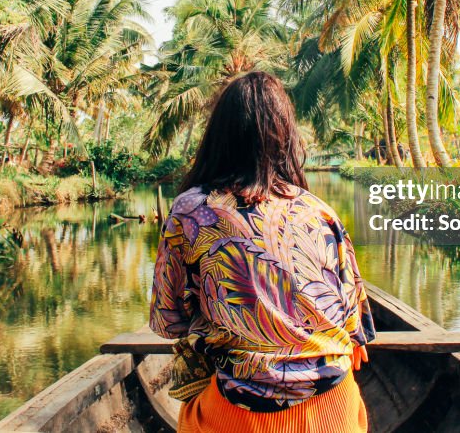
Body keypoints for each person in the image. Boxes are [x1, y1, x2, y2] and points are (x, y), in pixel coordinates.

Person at [150, 71, 374, 433]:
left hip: (242, 414)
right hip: (336, 409)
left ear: (218, 137)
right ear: (285, 137)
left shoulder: (191, 210)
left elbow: (168, 321)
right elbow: (356, 330)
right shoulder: (319, 211)